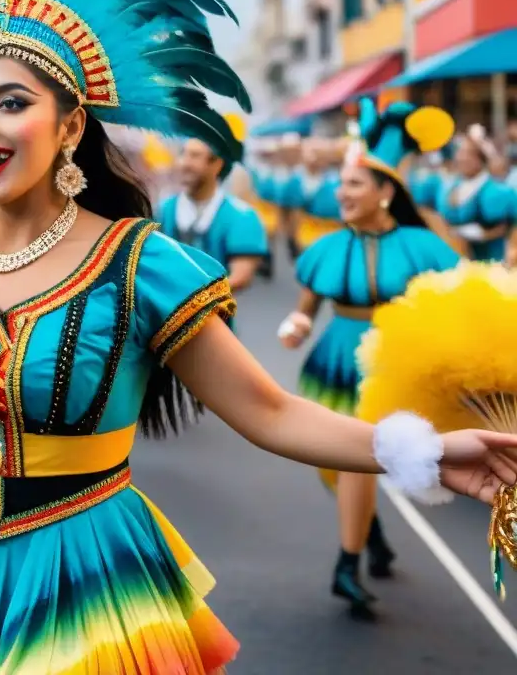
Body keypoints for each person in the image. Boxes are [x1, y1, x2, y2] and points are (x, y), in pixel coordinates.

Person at [0, 0, 517, 672]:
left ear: (70, 126)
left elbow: (268, 412)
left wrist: (423, 451)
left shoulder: (138, 264)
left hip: (86, 575)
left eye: (10, 102)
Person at [277, 97, 461, 621]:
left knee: (360, 457)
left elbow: (453, 300)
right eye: (342, 184)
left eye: (355, 184)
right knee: (333, 469)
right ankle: (370, 533)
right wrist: (297, 325)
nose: (343, 192)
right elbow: (306, 309)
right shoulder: (326, 248)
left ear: (386, 193)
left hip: (396, 361)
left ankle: (347, 564)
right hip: (337, 360)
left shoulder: (425, 245)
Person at [157, 114, 268, 295]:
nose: (184, 163)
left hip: (213, 317)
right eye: (183, 154)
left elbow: (241, 276)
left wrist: (194, 301)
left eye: (194, 156)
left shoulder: (241, 216)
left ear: (216, 164)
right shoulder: (164, 209)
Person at [435, 124, 515, 262]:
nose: (463, 158)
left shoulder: (500, 192)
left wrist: (484, 235)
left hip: (492, 265)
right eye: (460, 152)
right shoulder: (447, 187)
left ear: (481, 159)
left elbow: (509, 227)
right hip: (456, 265)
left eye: (469, 154)